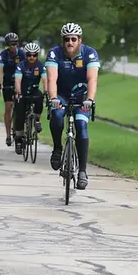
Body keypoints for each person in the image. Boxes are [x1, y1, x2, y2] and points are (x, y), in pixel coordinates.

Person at [46, 22, 100, 190]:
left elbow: (92, 79)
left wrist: (90, 99)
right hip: (61, 95)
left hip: (81, 96)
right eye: (67, 39)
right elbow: (51, 79)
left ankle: (82, 171)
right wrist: (53, 97)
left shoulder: (89, 54)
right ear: (63, 41)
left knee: (81, 126)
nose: (70, 42)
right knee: (56, 115)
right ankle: (57, 149)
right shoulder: (55, 54)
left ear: (80, 40)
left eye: (73, 39)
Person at [13, 43, 46, 154]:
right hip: (22, 92)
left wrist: (47, 91)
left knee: (40, 96)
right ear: (26, 55)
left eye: (34, 55)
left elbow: (45, 80)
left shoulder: (40, 65)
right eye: (29, 55)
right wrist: (18, 92)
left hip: (34, 91)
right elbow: (17, 80)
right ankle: (18, 140)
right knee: (20, 116)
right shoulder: (21, 65)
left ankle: (37, 120)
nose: (32, 57)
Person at [0, 32, 25, 147]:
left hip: (20, 81)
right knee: (8, 107)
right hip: (8, 82)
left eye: (15, 44)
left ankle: (21, 130)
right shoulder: (3, 55)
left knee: (21, 106)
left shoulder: (22, 54)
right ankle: (8, 135)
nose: (13, 46)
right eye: (10, 44)